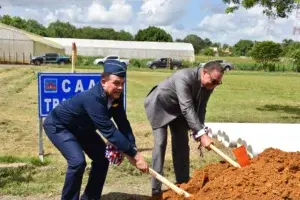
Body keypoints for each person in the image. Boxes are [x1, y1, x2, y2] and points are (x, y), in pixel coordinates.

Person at [43, 60, 149, 200]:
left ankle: (90, 197)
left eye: (123, 83)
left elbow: (122, 122)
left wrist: (131, 146)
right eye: (116, 83)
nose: (120, 87)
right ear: (103, 81)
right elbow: (109, 131)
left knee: (102, 159)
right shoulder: (93, 99)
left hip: (83, 129)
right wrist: (135, 155)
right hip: (60, 126)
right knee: (77, 162)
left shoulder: (116, 97)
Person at [144, 61, 224, 196]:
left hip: (179, 111)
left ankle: (183, 182)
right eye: (214, 81)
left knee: (182, 143)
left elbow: (201, 107)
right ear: (205, 73)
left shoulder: (208, 85)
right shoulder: (184, 77)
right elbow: (187, 107)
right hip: (160, 105)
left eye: (218, 83)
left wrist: (200, 130)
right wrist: (201, 134)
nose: (215, 85)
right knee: (160, 143)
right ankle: (156, 189)